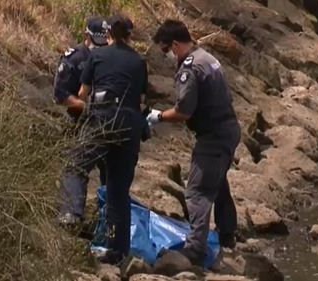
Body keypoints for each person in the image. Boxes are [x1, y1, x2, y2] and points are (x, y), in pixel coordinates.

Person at [148, 19, 241, 267]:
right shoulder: (206, 57)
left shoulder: (189, 68)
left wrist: (158, 116)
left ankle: (196, 250)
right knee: (218, 182)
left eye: (166, 50)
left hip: (213, 135)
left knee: (198, 190)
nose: (166, 55)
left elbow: (184, 112)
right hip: (228, 129)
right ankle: (228, 236)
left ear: (176, 44)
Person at [73, 14, 148, 264]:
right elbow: (141, 101)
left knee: (76, 164)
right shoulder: (139, 61)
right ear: (130, 35)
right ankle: (117, 250)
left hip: (103, 118)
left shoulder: (97, 55)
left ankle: (71, 215)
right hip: (130, 125)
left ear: (109, 35)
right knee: (118, 190)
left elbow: (83, 94)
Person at [54, 16, 109, 227]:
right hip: (80, 121)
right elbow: (60, 94)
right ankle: (72, 214)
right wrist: (85, 107)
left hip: (106, 122)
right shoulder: (74, 59)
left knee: (109, 173)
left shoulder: (110, 57)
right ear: (87, 36)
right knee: (75, 167)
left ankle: (106, 221)